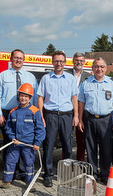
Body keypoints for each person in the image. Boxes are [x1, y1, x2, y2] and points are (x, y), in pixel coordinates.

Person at [0, 83, 45, 191]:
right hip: (15, 143)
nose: (23, 98)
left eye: (26, 96)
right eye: (21, 95)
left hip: (28, 144)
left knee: (29, 164)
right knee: (10, 161)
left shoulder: (35, 111)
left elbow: (40, 129)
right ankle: (6, 181)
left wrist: (37, 143)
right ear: (18, 96)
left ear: (30, 98)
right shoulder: (13, 111)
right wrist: (12, 138)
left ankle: (29, 184)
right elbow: (8, 127)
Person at [0, 49, 37, 179]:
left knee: (24, 143)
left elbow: (34, 98)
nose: (18, 60)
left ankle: (23, 173)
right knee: (9, 143)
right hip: (8, 115)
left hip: (26, 114)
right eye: (15, 58)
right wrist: (0, 114)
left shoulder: (30, 77)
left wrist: (33, 114)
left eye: (20, 58)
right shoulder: (3, 76)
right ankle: (10, 173)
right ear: (11, 59)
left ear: (24, 60)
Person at [38, 51, 79, 187]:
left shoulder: (70, 78)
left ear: (65, 63)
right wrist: (41, 116)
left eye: (61, 61)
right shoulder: (46, 78)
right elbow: (40, 98)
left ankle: (67, 174)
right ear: (52, 62)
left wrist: (76, 116)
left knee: (67, 145)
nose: (59, 63)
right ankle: (48, 175)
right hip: (50, 115)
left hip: (67, 115)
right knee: (48, 145)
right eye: (56, 61)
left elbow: (74, 98)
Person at [78, 57, 113, 184]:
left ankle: (104, 174)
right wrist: (80, 119)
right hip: (89, 119)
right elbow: (81, 102)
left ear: (106, 69)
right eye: (96, 66)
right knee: (90, 148)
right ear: (92, 68)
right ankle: (93, 174)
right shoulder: (85, 83)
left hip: (106, 120)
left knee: (106, 148)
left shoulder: (111, 83)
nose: (99, 69)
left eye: (102, 66)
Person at [66, 52, 92, 162]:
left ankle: (80, 162)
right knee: (67, 139)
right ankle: (66, 163)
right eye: (77, 60)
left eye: (81, 61)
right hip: (67, 111)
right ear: (73, 61)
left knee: (81, 140)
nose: (79, 62)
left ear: (84, 62)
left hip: (82, 112)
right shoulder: (65, 74)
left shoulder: (89, 77)